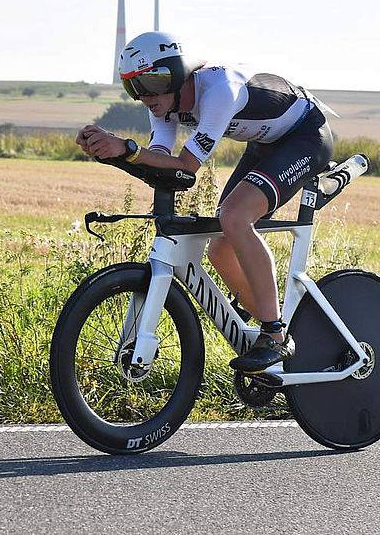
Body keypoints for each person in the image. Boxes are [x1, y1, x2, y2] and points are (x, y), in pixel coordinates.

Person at [76, 31, 334, 372]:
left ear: (176, 74)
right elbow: (158, 160)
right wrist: (113, 152)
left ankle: (275, 335)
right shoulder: (163, 104)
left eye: (151, 82)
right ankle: (277, 330)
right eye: (133, 87)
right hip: (266, 144)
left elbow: (185, 166)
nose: (144, 97)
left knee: (235, 217)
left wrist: (126, 148)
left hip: (305, 138)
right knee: (220, 247)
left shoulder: (219, 91)